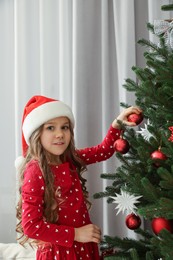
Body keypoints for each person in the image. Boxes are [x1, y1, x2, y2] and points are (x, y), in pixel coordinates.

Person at [15, 95, 142, 260]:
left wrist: (117, 124)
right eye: (51, 128)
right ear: (36, 134)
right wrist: (75, 234)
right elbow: (31, 226)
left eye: (65, 127)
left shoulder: (70, 159)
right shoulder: (35, 170)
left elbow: (103, 150)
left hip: (83, 247)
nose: (60, 134)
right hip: (58, 253)